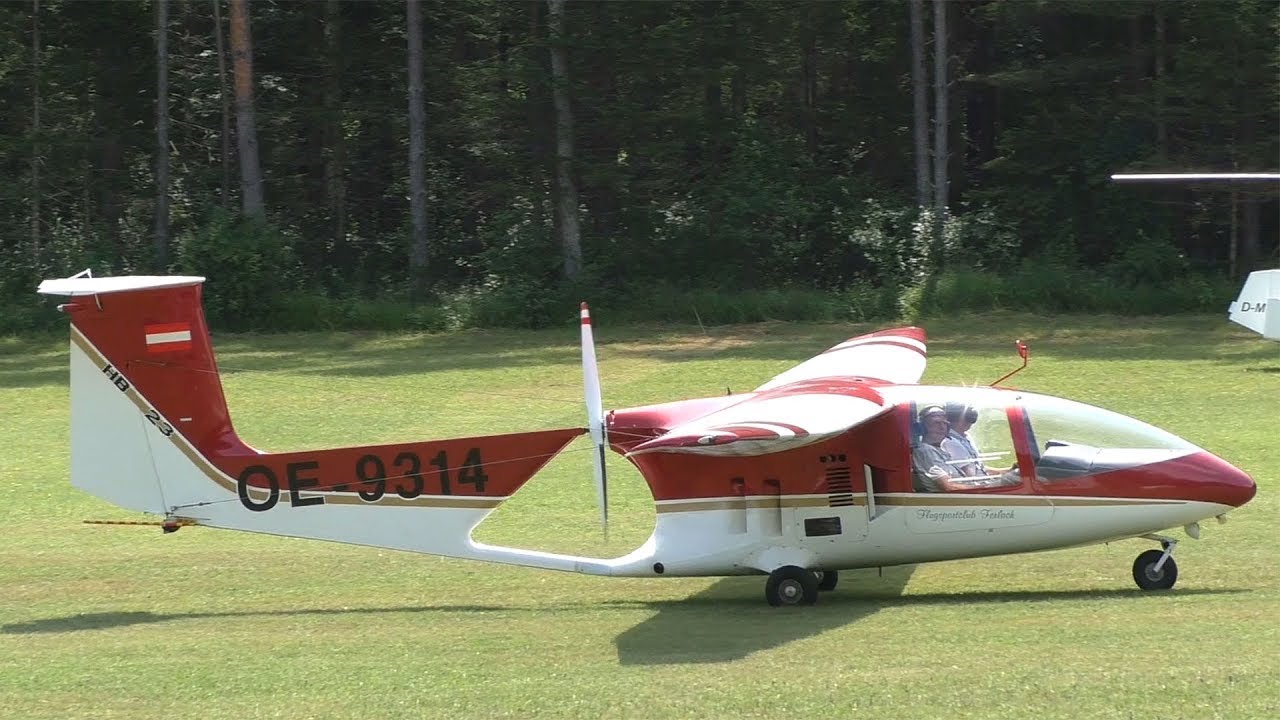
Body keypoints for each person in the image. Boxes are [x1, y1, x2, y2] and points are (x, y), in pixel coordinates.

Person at [912, 404, 1019, 492]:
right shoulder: (926, 451)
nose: (942, 427)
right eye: (936, 423)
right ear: (922, 427)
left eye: (945, 423)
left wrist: (1006, 475)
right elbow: (949, 487)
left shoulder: (939, 450)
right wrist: (993, 487)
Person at [942, 403, 985, 477]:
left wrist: (1006, 471)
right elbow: (970, 474)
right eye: (968, 418)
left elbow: (979, 469)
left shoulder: (967, 437)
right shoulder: (950, 441)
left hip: (982, 480)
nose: (970, 422)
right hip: (974, 484)